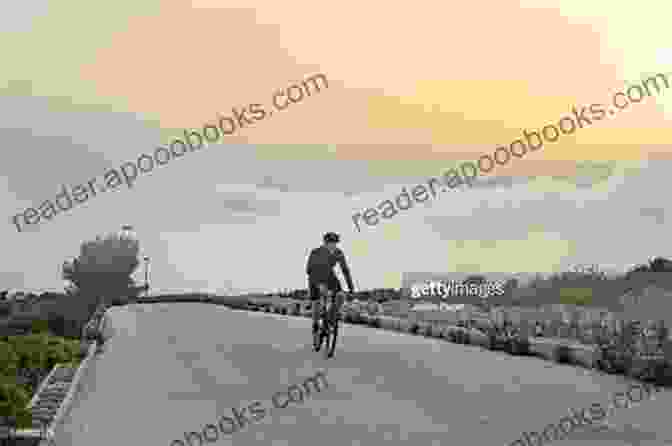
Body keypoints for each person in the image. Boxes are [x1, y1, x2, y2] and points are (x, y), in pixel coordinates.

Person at [306, 232, 354, 349]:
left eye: (334, 244)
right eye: (330, 243)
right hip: (315, 277)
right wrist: (318, 284)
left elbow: (345, 270)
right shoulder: (316, 252)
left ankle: (331, 319)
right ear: (325, 243)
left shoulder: (338, 253)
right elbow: (309, 269)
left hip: (329, 277)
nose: (332, 246)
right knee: (317, 303)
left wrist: (351, 288)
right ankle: (316, 326)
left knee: (340, 296)